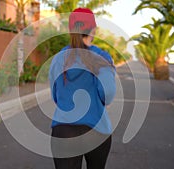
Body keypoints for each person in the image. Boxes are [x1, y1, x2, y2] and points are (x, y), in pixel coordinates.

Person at [49, 8, 116, 169]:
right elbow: (108, 93)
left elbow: (55, 93)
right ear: (94, 29)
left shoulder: (59, 58)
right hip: (97, 129)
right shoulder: (102, 57)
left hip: (63, 130)